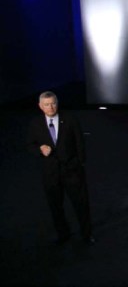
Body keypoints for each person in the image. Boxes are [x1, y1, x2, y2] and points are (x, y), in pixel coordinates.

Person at [27, 91, 94, 246]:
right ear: (40, 106)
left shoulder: (70, 119)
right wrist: (40, 150)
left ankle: (87, 234)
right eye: (46, 104)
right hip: (50, 174)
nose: (50, 107)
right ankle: (63, 234)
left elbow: (79, 142)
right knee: (56, 207)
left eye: (53, 103)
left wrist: (80, 164)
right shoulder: (35, 124)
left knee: (81, 205)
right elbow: (30, 145)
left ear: (57, 103)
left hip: (72, 171)